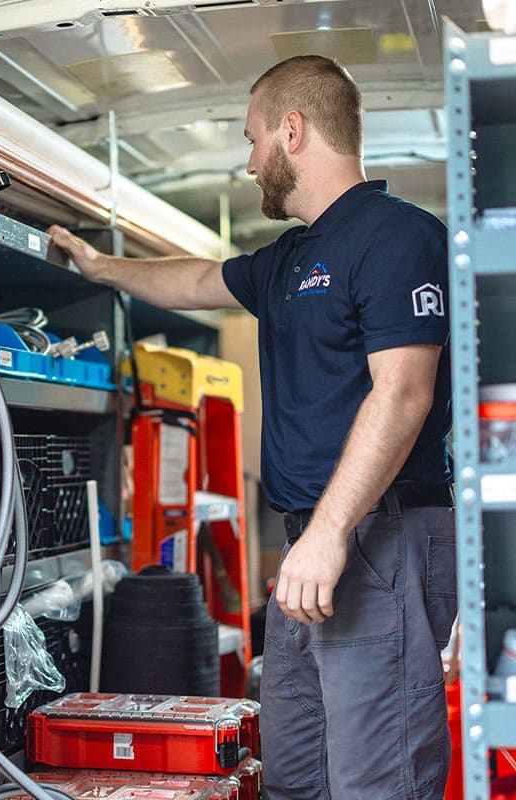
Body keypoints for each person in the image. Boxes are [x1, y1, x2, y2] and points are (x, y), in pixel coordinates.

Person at [49, 54, 456, 800]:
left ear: (291, 132)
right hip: (317, 542)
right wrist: (101, 267)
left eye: (252, 139)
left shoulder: (398, 237)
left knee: (378, 780)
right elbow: (201, 279)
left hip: (379, 537)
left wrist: (330, 534)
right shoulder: (292, 256)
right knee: (295, 772)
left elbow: (403, 395)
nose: (247, 162)